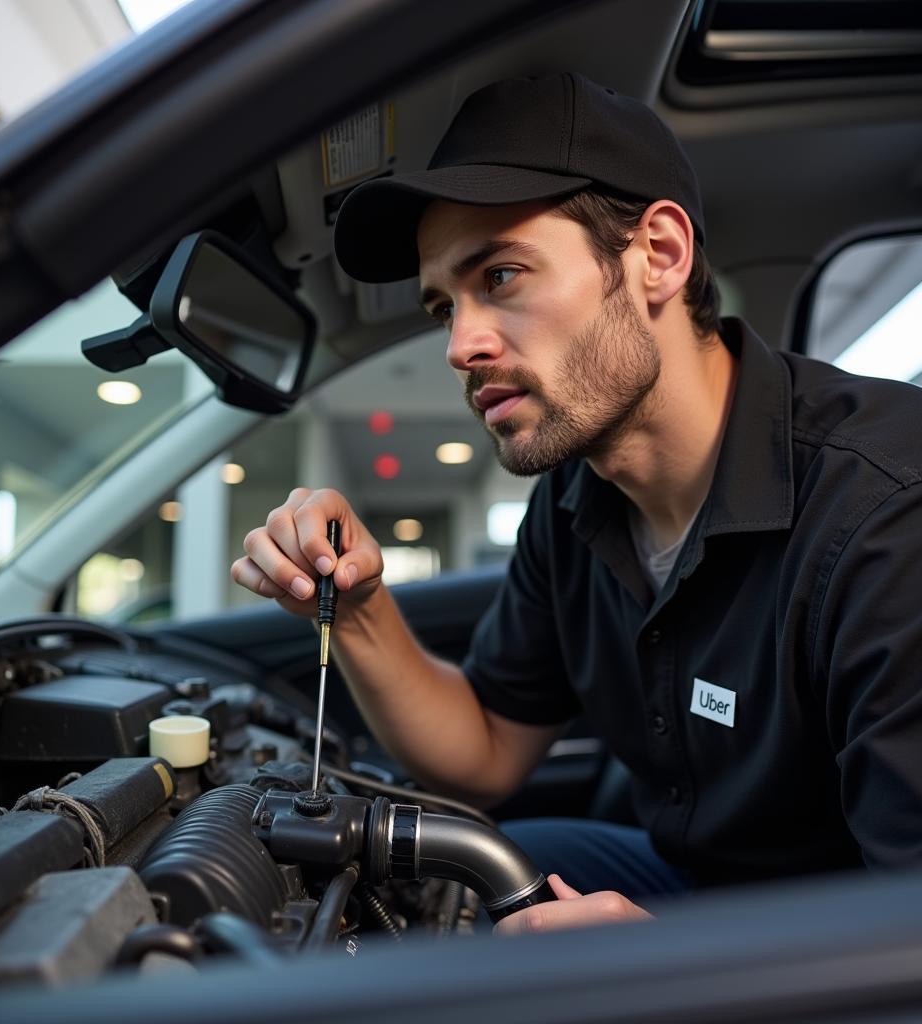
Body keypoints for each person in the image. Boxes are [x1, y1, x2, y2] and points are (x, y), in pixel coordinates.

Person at [231, 72, 922, 935]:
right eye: (445, 305)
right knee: (464, 877)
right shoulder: (573, 498)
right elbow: (483, 752)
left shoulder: (888, 516)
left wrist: (665, 970)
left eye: (504, 274)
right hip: (704, 885)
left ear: (659, 256)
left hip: (853, 941)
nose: (460, 345)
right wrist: (357, 604)